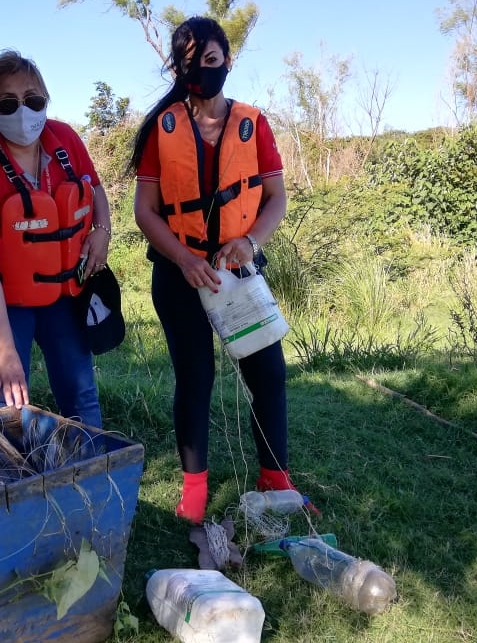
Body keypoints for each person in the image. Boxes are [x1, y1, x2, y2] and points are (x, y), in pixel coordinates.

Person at [128, 17, 319, 523]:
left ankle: (275, 477)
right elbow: (145, 210)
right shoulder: (162, 128)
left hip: (238, 269)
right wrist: (184, 258)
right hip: (179, 271)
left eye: (210, 59)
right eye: (190, 62)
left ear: (227, 61)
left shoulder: (253, 122)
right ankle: (194, 491)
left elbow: (276, 198)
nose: (201, 69)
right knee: (195, 377)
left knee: (268, 372)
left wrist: (250, 241)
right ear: (178, 66)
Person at [0, 49, 113, 429]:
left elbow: (95, 189)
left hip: (61, 284)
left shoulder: (65, 139)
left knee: (79, 386)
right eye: (8, 103)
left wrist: (102, 232)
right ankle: (5, 483)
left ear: (46, 101)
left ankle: (93, 481)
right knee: (8, 394)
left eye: (33, 100)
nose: (24, 111)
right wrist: (3, 350)